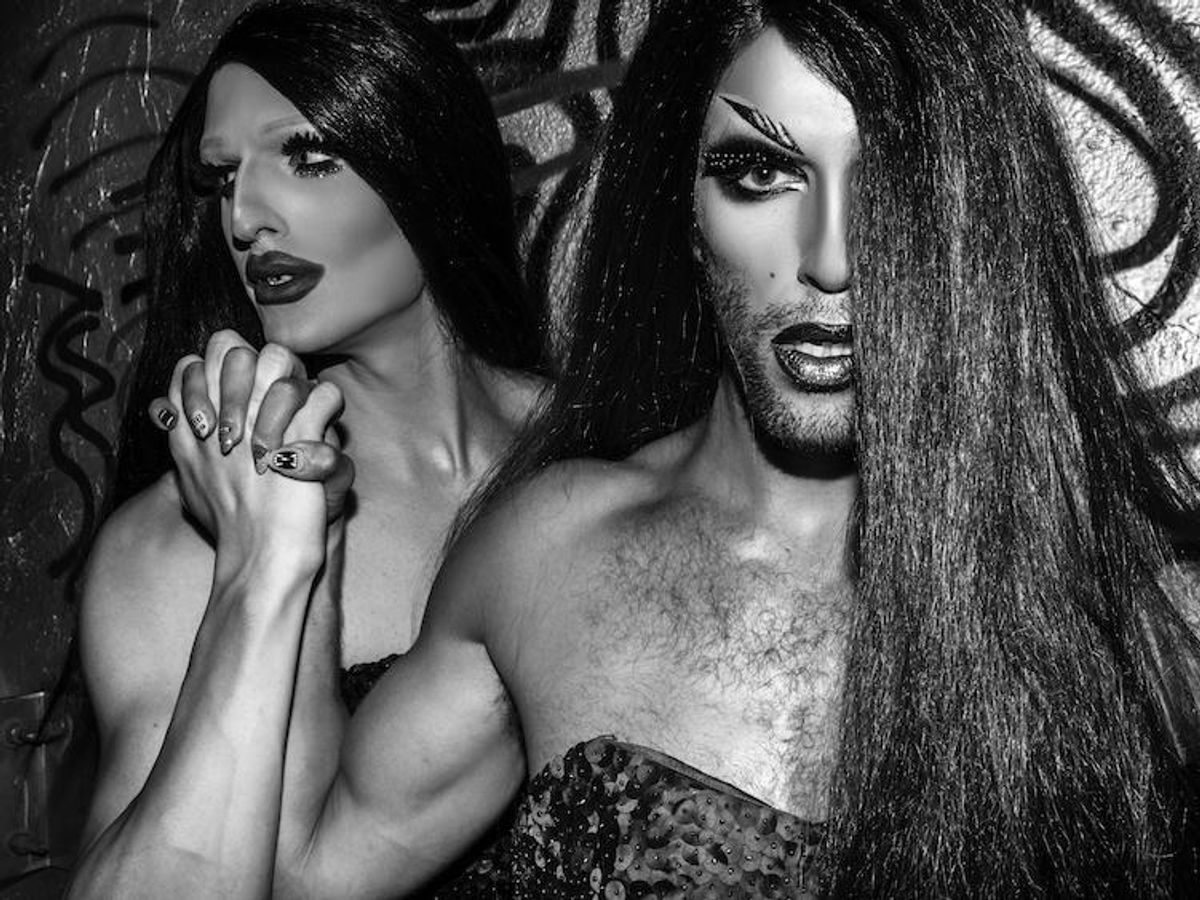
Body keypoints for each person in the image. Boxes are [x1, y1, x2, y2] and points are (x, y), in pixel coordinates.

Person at [146, 0, 1200, 895]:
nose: (830, 258)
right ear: (686, 208)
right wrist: (290, 546)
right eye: (759, 172)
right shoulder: (547, 555)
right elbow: (306, 877)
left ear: (970, 223)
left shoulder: (1124, 622)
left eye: (894, 181)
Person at [67, 0, 546, 895]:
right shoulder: (177, 545)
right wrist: (261, 566)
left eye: (307, 155)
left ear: (428, 166)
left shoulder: (612, 454)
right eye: (223, 178)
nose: (245, 217)